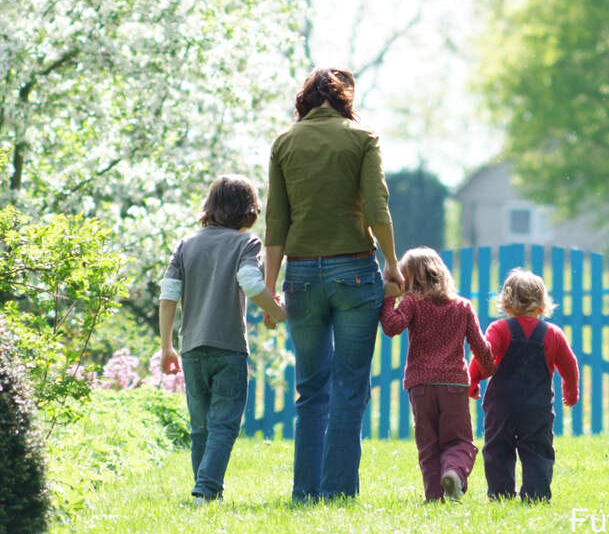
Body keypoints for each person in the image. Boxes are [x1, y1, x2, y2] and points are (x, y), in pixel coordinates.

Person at [264, 67, 403, 502]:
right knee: (350, 385)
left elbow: (276, 221)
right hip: (355, 273)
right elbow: (377, 206)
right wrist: (392, 263)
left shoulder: (284, 142)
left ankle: (306, 491)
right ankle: (338, 491)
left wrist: (269, 289)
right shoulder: (363, 138)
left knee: (311, 389)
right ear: (344, 98)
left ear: (305, 98)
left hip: (301, 276)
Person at [159, 174, 287, 505]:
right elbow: (251, 282)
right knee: (224, 425)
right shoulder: (246, 243)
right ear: (249, 210)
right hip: (229, 347)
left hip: (191, 348)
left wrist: (166, 346)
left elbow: (169, 294)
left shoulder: (186, 244)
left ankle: (207, 492)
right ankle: (205, 489)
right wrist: (279, 312)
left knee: (200, 427)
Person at [378, 247, 495, 502]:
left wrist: (389, 297)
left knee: (428, 445)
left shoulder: (412, 302)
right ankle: (453, 472)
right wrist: (487, 370)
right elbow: (480, 347)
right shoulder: (462, 306)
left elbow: (391, 326)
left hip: (420, 385)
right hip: (453, 383)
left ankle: (434, 498)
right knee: (460, 441)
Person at [469, 268, 579, 502]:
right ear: (541, 305)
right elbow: (570, 365)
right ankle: (536, 494)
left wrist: (473, 381)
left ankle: (500, 494)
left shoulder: (499, 329)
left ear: (506, 304)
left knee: (498, 449)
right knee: (538, 449)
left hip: (501, 406)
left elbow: (483, 355)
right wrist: (571, 392)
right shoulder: (552, 334)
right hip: (537, 408)